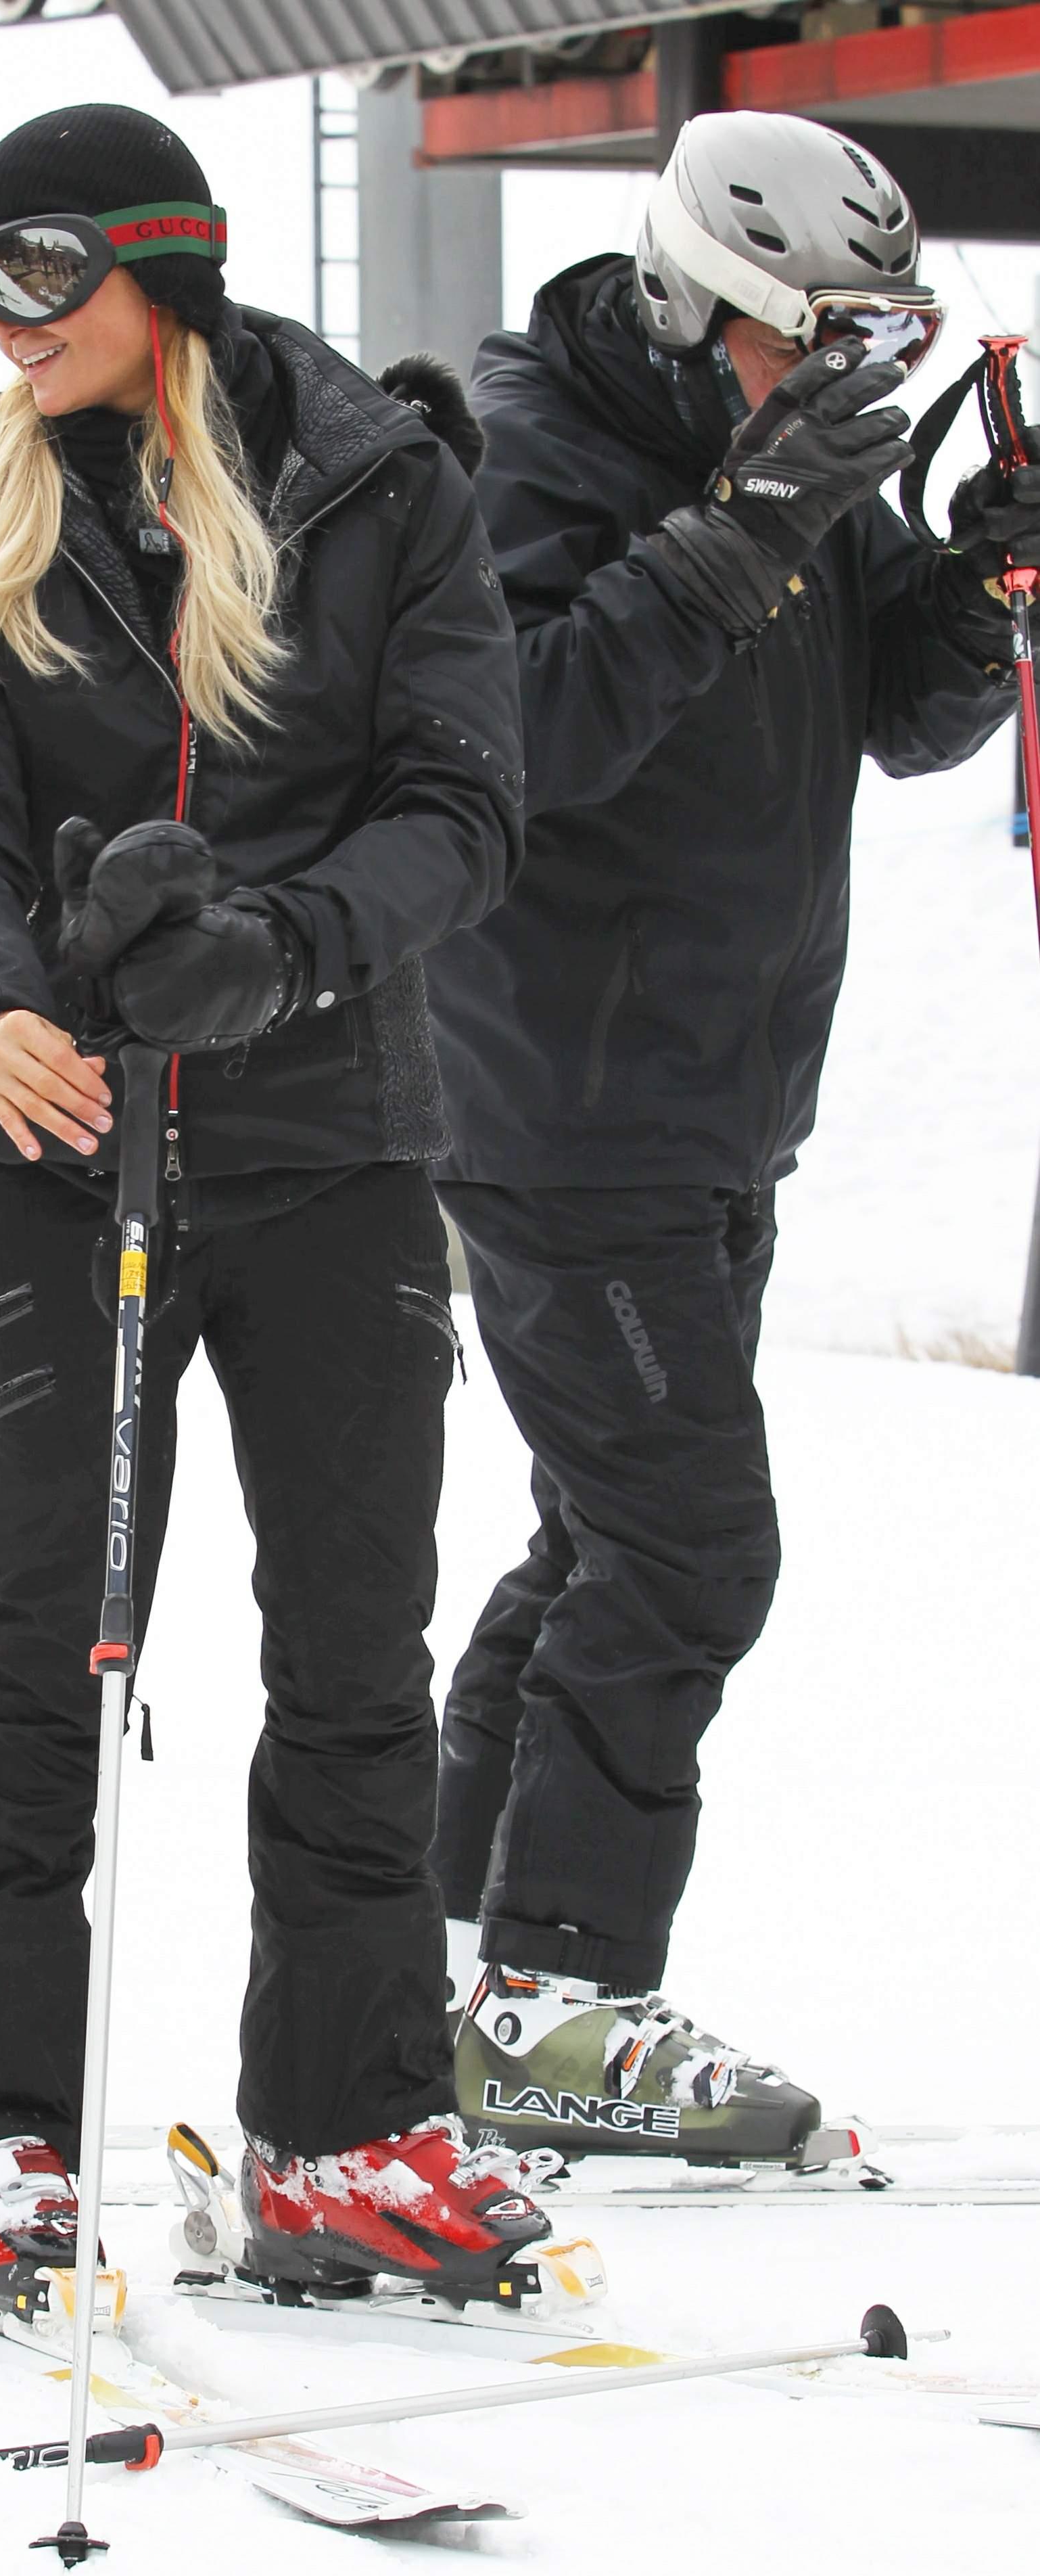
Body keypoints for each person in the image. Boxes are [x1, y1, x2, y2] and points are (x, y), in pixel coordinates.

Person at [0, 102, 538, 2311]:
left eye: (40, 276)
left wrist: (285, 947)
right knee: (55, 1632)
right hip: (72, 1157)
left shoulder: (380, 486)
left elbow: (466, 807)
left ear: (165, 264)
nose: (2, 324)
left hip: (334, 1150)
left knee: (355, 1656)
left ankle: (344, 2131)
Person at [423, 110, 1027, 2165]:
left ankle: (446, 1945)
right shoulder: (522, 451)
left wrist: (982, 570)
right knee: (690, 1546)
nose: (846, 382)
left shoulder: (793, 445)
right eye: (818, 343)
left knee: (605, 1535)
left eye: (881, 346)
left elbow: (900, 716)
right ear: (697, 303)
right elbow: (531, 741)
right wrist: (754, 521)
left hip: (717, 1101)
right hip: (562, 1101)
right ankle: (558, 1992)